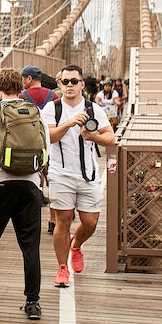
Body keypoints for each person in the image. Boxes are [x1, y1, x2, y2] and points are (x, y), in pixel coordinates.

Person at [0, 69, 50, 319]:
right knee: (30, 247)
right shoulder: (36, 113)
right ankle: (33, 301)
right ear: (21, 88)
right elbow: (45, 153)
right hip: (30, 187)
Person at [44, 64, 116, 289]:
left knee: (90, 221)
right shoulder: (51, 108)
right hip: (60, 173)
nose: (69, 86)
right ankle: (62, 268)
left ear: (82, 84)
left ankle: (76, 245)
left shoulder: (94, 109)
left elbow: (110, 137)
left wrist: (93, 136)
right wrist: (68, 123)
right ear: (59, 84)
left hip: (88, 174)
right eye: (65, 82)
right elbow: (50, 137)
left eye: (74, 81)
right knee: (62, 221)